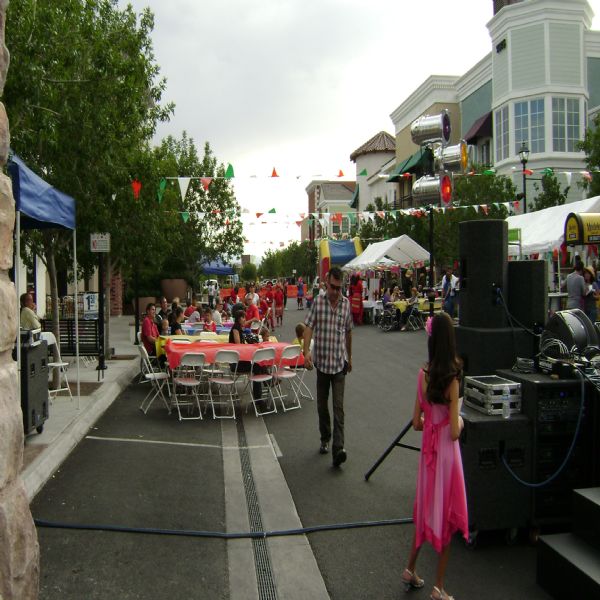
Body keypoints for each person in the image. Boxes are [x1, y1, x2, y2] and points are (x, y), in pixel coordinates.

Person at [402, 312, 468, 600]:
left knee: (425, 508)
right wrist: (461, 420)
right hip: (446, 455)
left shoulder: (423, 374)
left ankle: (410, 568)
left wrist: (429, 421)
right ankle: (439, 586)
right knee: (447, 516)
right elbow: (454, 431)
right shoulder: (453, 378)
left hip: (427, 453)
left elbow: (415, 422)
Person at [303, 266, 353, 468]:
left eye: (339, 288)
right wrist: (306, 351)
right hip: (322, 364)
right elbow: (309, 326)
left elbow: (348, 331)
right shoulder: (318, 302)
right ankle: (325, 437)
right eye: (333, 287)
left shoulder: (346, 304)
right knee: (322, 407)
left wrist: (350, 356)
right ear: (326, 283)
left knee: (338, 408)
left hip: (339, 364)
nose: (336, 292)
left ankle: (338, 450)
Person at [229, 310, 262, 400]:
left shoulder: (238, 327)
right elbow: (238, 346)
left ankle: (259, 395)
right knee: (257, 366)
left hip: (240, 361)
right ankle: (258, 397)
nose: (244, 319)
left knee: (259, 365)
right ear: (239, 318)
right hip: (236, 364)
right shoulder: (236, 329)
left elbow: (245, 324)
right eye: (243, 317)